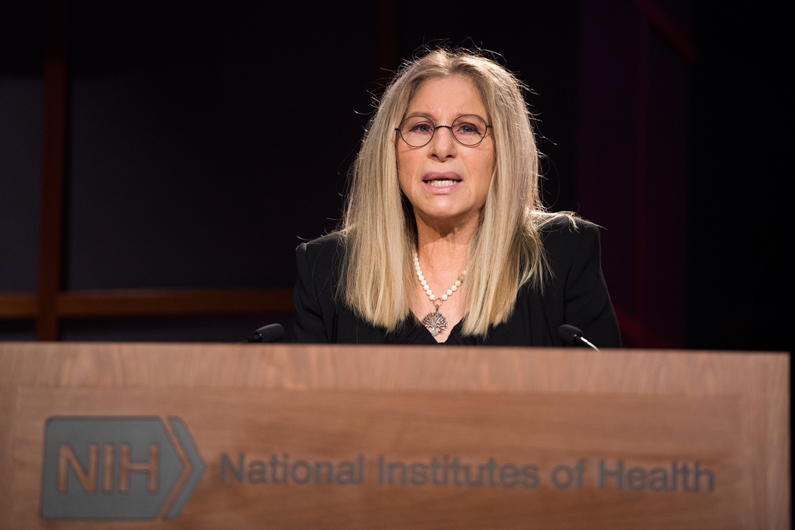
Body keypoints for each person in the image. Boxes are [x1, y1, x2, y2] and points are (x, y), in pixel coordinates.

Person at [293, 48, 620, 347]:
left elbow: (609, 399)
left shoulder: (562, 255)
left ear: (502, 150)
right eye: (421, 127)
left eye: (468, 129)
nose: (442, 149)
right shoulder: (328, 270)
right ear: (391, 150)